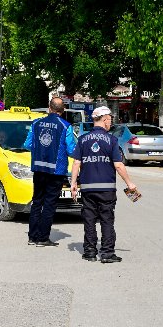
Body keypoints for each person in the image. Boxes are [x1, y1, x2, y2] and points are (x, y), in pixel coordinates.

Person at [70, 106, 137, 263]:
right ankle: (107, 253)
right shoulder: (112, 140)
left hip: (87, 188)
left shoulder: (82, 140)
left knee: (89, 219)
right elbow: (119, 165)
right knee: (107, 219)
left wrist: (73, 183)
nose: (110, 123)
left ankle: (90, 252)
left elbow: (76, 163)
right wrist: (129, 183)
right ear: (105, 120)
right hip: (106, 188)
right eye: (110, 120)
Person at [24, 97, 77, 247]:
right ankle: (42, 238)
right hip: (56, 171)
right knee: (49, 204)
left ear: (49, 108)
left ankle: (32, 237)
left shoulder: (36, 123)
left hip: (39, 169)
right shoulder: (66, 126)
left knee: (37, 202)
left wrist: (41, 150)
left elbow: (27, 144)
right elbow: (71, 149)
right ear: (63, 110)